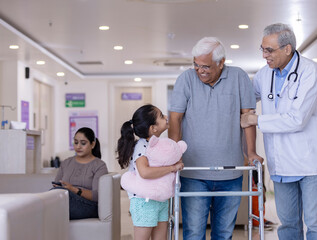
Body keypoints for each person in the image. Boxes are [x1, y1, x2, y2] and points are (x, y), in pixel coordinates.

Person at [241, 23, 317, 240]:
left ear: (287, 49)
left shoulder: (310, 72)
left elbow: (297, 120)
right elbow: (246, 102)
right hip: (281, 163)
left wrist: (254, 119)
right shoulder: (264, 75)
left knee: (316, 226)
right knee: (288, 226)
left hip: (310, 163)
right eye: (262, 49)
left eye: (269, 50)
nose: (264, 55)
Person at [168, 37, 263, 239]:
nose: (200, 70)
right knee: (193, 233)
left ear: (221, 63)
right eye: (196, 64)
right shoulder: (186, 79)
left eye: (206, 66)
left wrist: (251, 152)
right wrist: (174, 154)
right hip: (194, 173)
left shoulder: (239, 77)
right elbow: (175, 118)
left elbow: (247, 119)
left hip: (231, 174)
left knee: (224, 233)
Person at [117, 104, 184, 240]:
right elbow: (145, 172)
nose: (166, 117)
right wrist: (172, 168)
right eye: (161, 116)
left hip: (160, 199)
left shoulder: (159, 144)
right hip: (144, 201)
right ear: (153, 128)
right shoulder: (142, 146)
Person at [53, 127, 108, 220]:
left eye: (83, 143)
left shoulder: (99, 165)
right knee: (52, 197)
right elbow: (56, 186)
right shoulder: (66, 163)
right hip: (66, 201)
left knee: (55, 204)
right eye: (76, 142)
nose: (78, 146)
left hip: (89, 205)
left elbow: (97, 196)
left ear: (92, 144)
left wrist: (74, 190)